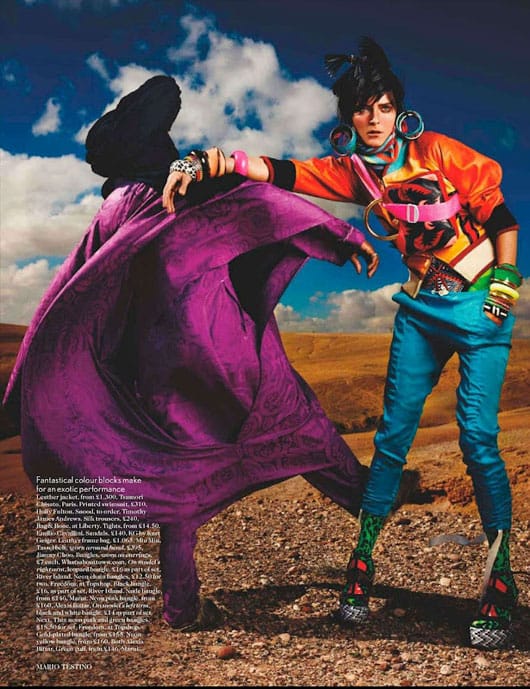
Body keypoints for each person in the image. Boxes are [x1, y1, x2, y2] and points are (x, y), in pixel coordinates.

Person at [162, 38, 522, 650]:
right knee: (391, 438)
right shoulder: (353, 172)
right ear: (349, 118)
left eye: (384, 106)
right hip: (421, 309)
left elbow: (501, 216)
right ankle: (362, 564)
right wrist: (207, 161)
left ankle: (500, 580)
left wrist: (507, 281)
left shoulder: (438, 152)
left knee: (478, 438)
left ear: (399, 111)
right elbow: (280, 171)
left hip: (481, 300)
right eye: (363, 108)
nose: (374, 118)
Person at [3, 75, 388, 631]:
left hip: (158, 371)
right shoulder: (182, 192)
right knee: (298, 423)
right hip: (225, 351)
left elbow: (65, 294)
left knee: (178, 474)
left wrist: (31, 383)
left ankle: (181, 607)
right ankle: (371, 501)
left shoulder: (113, 208)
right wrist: (340, 235)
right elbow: (259, 203)